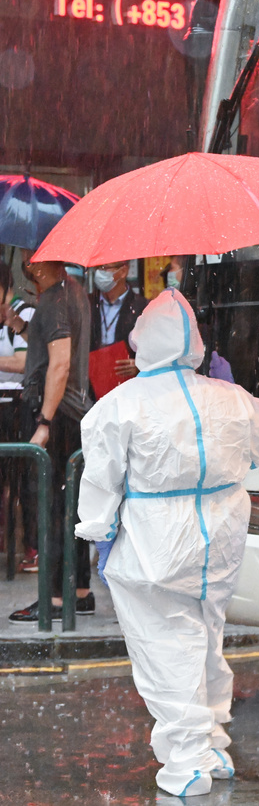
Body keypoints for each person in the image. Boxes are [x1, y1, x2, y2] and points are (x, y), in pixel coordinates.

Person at [74, 289, 259, 797]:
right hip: (219, 542)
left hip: (154, 545)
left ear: (142, 342)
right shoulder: (232, 397)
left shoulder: (119, 405)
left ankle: (188, 760)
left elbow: (100, 485)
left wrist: (99, 532)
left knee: (166, 648)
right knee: (204, 639)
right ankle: (211, 743)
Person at [8, 252, 92, 623]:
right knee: (70, 506)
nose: (27, 265)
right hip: (70, 413)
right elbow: (49, 352)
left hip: (58, 415)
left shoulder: (56, 299)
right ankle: (80, 593)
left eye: (31, 259)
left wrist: (44, 421)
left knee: (55, 509)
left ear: (41, 263)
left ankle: (56, 599)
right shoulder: (71, 293)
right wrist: (21, 327)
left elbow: (60, 363)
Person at [0, 265, 34, 570]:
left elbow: (24, 362)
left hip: (15, 406)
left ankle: (28, 545)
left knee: (19, 481)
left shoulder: (23, 314)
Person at [89, 260, 146, 382]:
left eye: (105, 268)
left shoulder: (142, 307)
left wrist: (140, 365)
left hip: (127, 382)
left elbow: (152, 350)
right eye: (98, 268)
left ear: (123, 271)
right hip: (93, 380)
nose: (100, 272)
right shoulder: (87, 303)